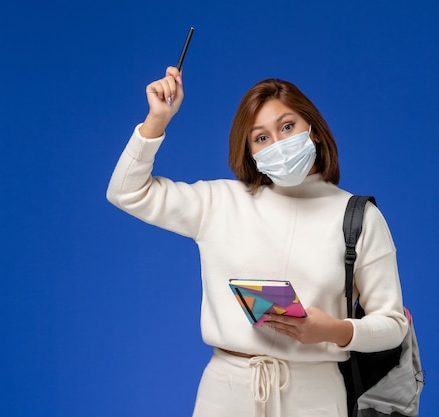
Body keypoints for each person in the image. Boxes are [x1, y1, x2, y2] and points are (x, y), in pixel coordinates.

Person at [106, 66, 408, 417]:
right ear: (249, 151)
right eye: (261, 137)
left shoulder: (357, 217)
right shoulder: (218, 203)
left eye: (287, 126)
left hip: (317, 396)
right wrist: (156, 120)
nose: (278, 144)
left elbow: (393, 325)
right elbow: (126, 192)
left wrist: (333, 330)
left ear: (315, 131)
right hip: (225, 393)